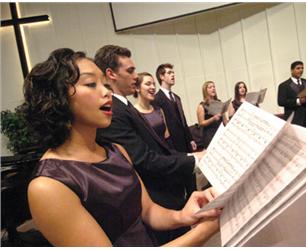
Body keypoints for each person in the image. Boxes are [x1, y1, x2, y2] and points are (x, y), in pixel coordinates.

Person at [22, 48, 220, 247]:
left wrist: (184, 215)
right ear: (57, 99)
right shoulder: (48, 185)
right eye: (91, 84)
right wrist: (203, 232)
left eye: (105, 84)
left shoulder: (117, 151)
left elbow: (148, 212)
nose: (107, 91)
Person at [94, 45, 205, 244]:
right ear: (111, 74)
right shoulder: (115, 111)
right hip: (154, 199)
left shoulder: (124, 106)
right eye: (130, 71)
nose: (135, 76)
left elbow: (157, 147)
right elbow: (143, 159)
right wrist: (192, 160)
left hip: (165, 193)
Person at [154, 63, 197, 153]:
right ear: (161, 76)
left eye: (173, 73)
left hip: (185, 143)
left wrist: (190, 139)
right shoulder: (156, 99)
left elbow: (183, 120)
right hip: (172, 145)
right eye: (169, 73)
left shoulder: (177, 98)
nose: (173, 75)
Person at [133, 72, 173, 148]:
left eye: (154, 84)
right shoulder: (134, 113)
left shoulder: (159, 110)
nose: (153, 87)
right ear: (137, 88)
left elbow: (167, 137)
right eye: (148, 84)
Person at [277, 61, 306, 129]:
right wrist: (298, 101)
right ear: (292, 70)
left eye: (302, 68)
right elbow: (281, 102)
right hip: (294, 118)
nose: (301, 70)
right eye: (298, 68)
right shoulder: (284, 85)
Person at [196, 81, 223, 148]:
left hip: (220, 132)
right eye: (210, 87)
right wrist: (213, 119)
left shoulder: (219, 102)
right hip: (210, 135)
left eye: (214, 87)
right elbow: (201, 123)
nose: (213, 89)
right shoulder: (201, 106)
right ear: (205, 90)